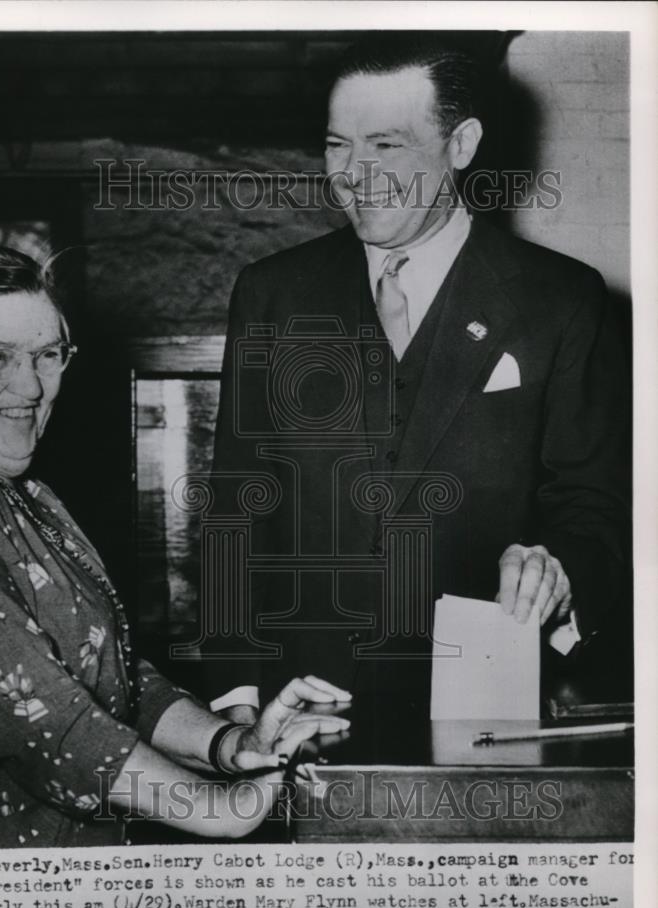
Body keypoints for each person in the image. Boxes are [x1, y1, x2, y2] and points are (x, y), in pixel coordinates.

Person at [0, 239, 350, 850]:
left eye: (47, 355)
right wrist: (224, 810)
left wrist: (232, 746)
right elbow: (42, 718)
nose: (31, 386)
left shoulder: (20, 491)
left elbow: (107, 676)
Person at [203, 33, 629, 726]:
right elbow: (236, 508)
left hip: (492, 702)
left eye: (387, 146)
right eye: (338, 144)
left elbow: (594, 509)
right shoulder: (272, 294)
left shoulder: (564, 300)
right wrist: (236, 695)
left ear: (461, 146)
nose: (354, 173)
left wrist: (560, 567)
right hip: (300, 707)